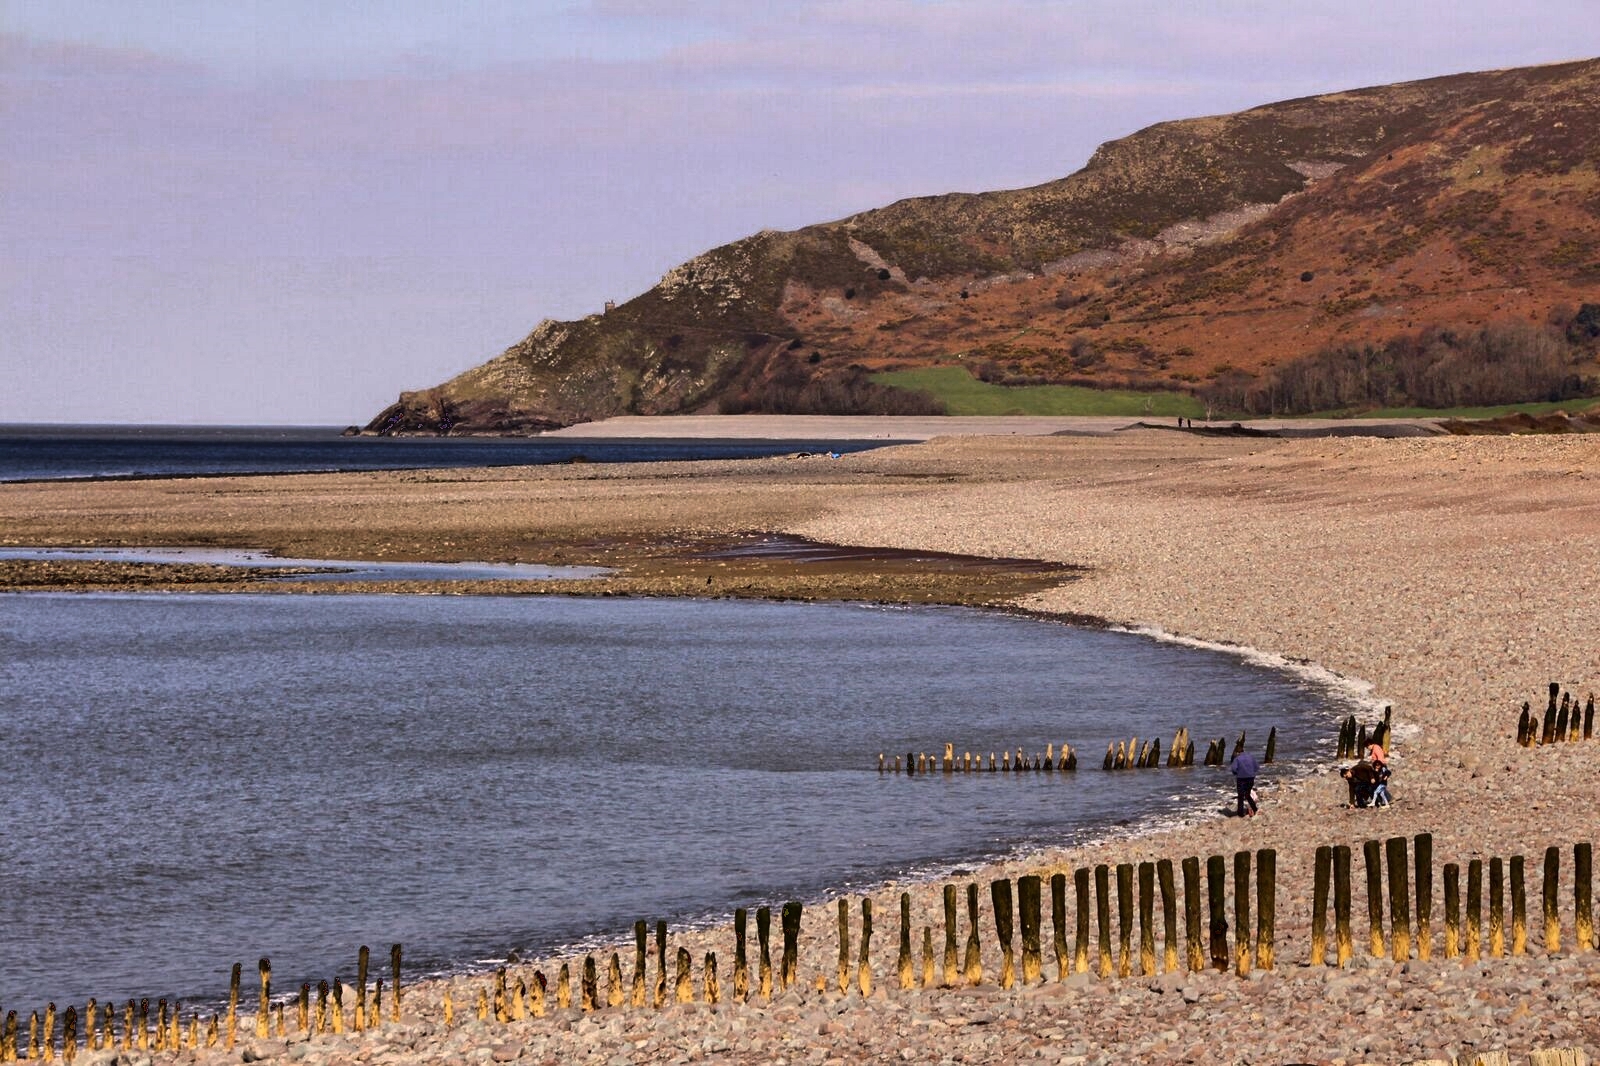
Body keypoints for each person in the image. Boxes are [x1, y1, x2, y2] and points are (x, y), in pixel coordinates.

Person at [1229, 749, 1260, 817]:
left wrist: (1237, 773)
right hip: (1250, 778)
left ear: (1238, 752)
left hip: (1241, 778)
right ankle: (1255, 809)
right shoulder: (1251, 757)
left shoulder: (1237, 758)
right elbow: (1257, 767)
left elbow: (1233, 769)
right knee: (1247, 794)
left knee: (1240, 796)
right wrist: (1250, 772)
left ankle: (1240, 813)